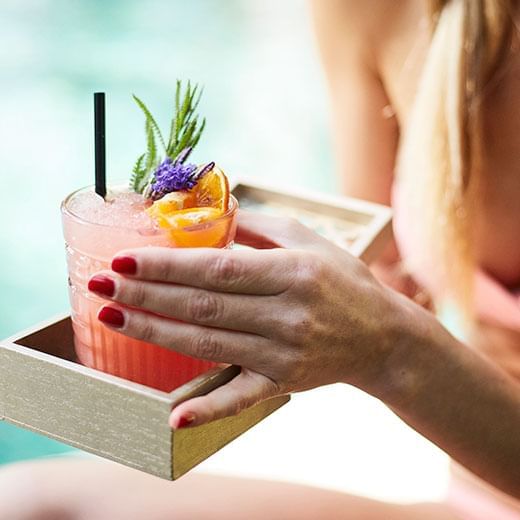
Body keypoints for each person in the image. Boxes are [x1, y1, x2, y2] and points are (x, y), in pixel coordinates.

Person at [1, 0, 519, 518]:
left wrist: (391, 351)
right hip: (474, 487)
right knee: (22, 503)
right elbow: (386, 268)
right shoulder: (375, 9)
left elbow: (393, 331)